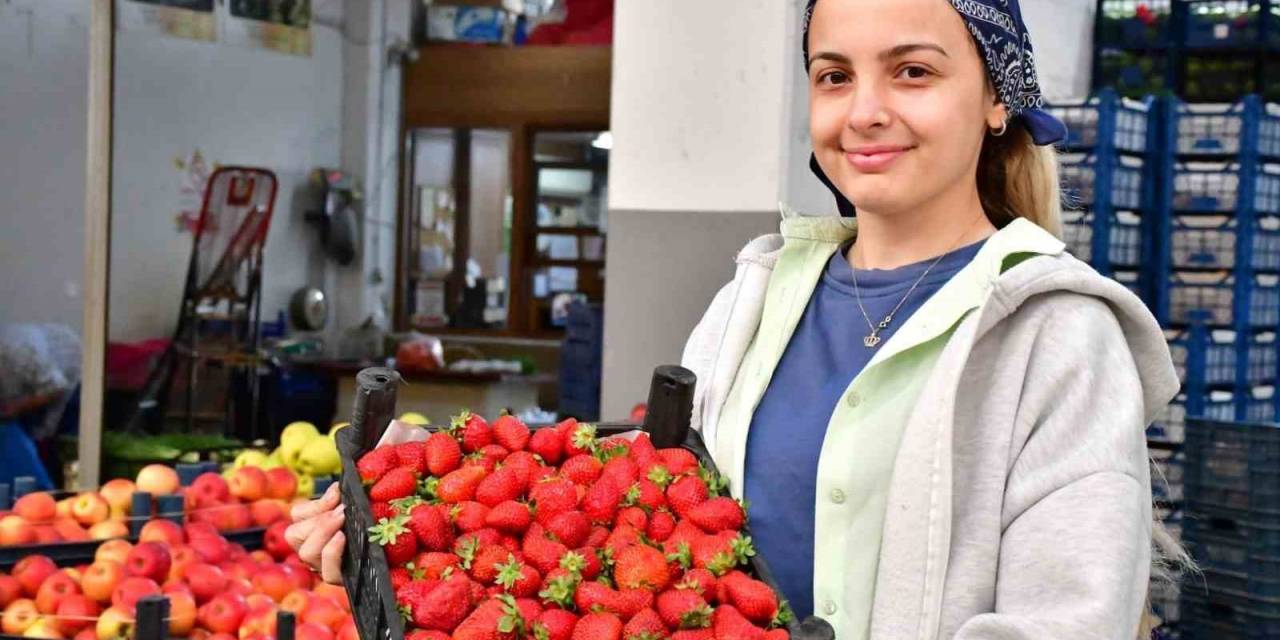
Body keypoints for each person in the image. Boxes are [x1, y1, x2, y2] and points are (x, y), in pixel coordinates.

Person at [288, 1, 1185, 638]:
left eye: (913, 71)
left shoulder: (1060, 338)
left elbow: (1068, 621)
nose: (864, 111)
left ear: (997, 99)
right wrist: (415, 492)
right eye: (834, 76)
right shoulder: (753, 302)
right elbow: (641, 519)